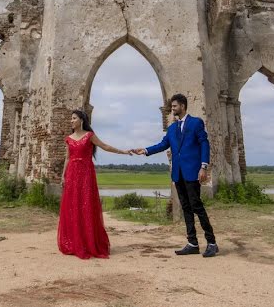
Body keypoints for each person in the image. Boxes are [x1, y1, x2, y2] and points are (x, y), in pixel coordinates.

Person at [131, 93, 218, 257]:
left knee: (196, 206)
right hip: (178, 173)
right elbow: (163, 144)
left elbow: (204, 143)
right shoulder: (172, 129)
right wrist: (146, 150)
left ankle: (212, 242)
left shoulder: (196, 123)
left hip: (193, 171)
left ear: (183, 106)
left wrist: (203, 167)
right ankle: (192, 243)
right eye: (171, 107)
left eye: (174, 106)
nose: (172, 109)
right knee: (186, 207)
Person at [57, 109, 131, 259]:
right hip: (71, 174)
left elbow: (105, 146)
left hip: (86, 175)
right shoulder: (68, 139)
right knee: (73, 206)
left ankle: (88, 242)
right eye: (71, 119)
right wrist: (63, 176)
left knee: (87, 205)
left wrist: (123, 151)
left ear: (81, 120)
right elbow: (67, 158)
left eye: (73, 118)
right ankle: (74, 242)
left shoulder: (89, 136)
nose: (71, 121)